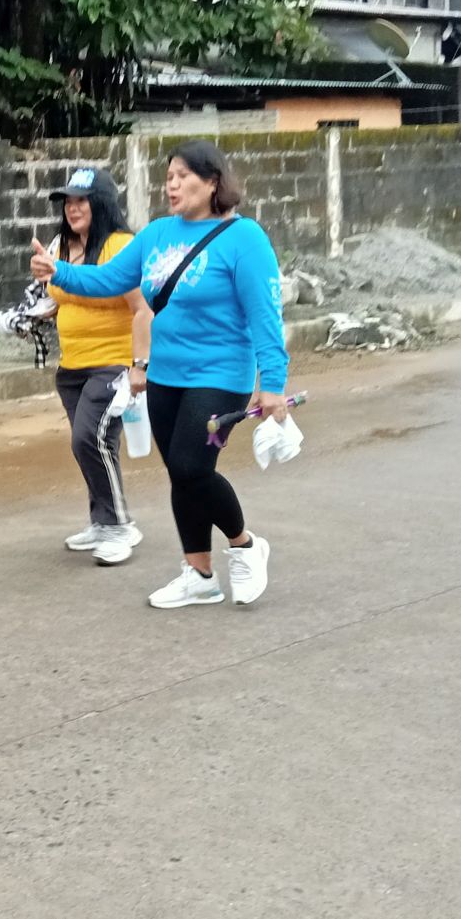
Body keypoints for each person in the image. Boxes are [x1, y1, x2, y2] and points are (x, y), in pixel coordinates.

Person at [32, 140, 288, 609]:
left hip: (220, 375)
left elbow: (265, 315)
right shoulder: (156, 234)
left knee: (193, 467)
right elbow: (110, 280)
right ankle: (200, 575)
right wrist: (58, 271)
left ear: (212, 182)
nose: (172, 185)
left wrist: (272, 382)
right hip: (166, 375)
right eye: (168, 177)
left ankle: (245, 544)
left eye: (182, 176)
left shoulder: (244, 238)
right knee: (181, 475)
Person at [43, 167, 152, 566]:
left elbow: (142, 309)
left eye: (81, 201)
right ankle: (102, 520)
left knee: (88, 438)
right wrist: (28, 316)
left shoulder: (122, 246)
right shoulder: (60, 245)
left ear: (101, 204)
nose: (72, 208)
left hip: (112, 363)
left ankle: (119, 526)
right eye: (68, 202)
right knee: (94, 444)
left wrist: (139, 367)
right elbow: (59, 298)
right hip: (72, 365)